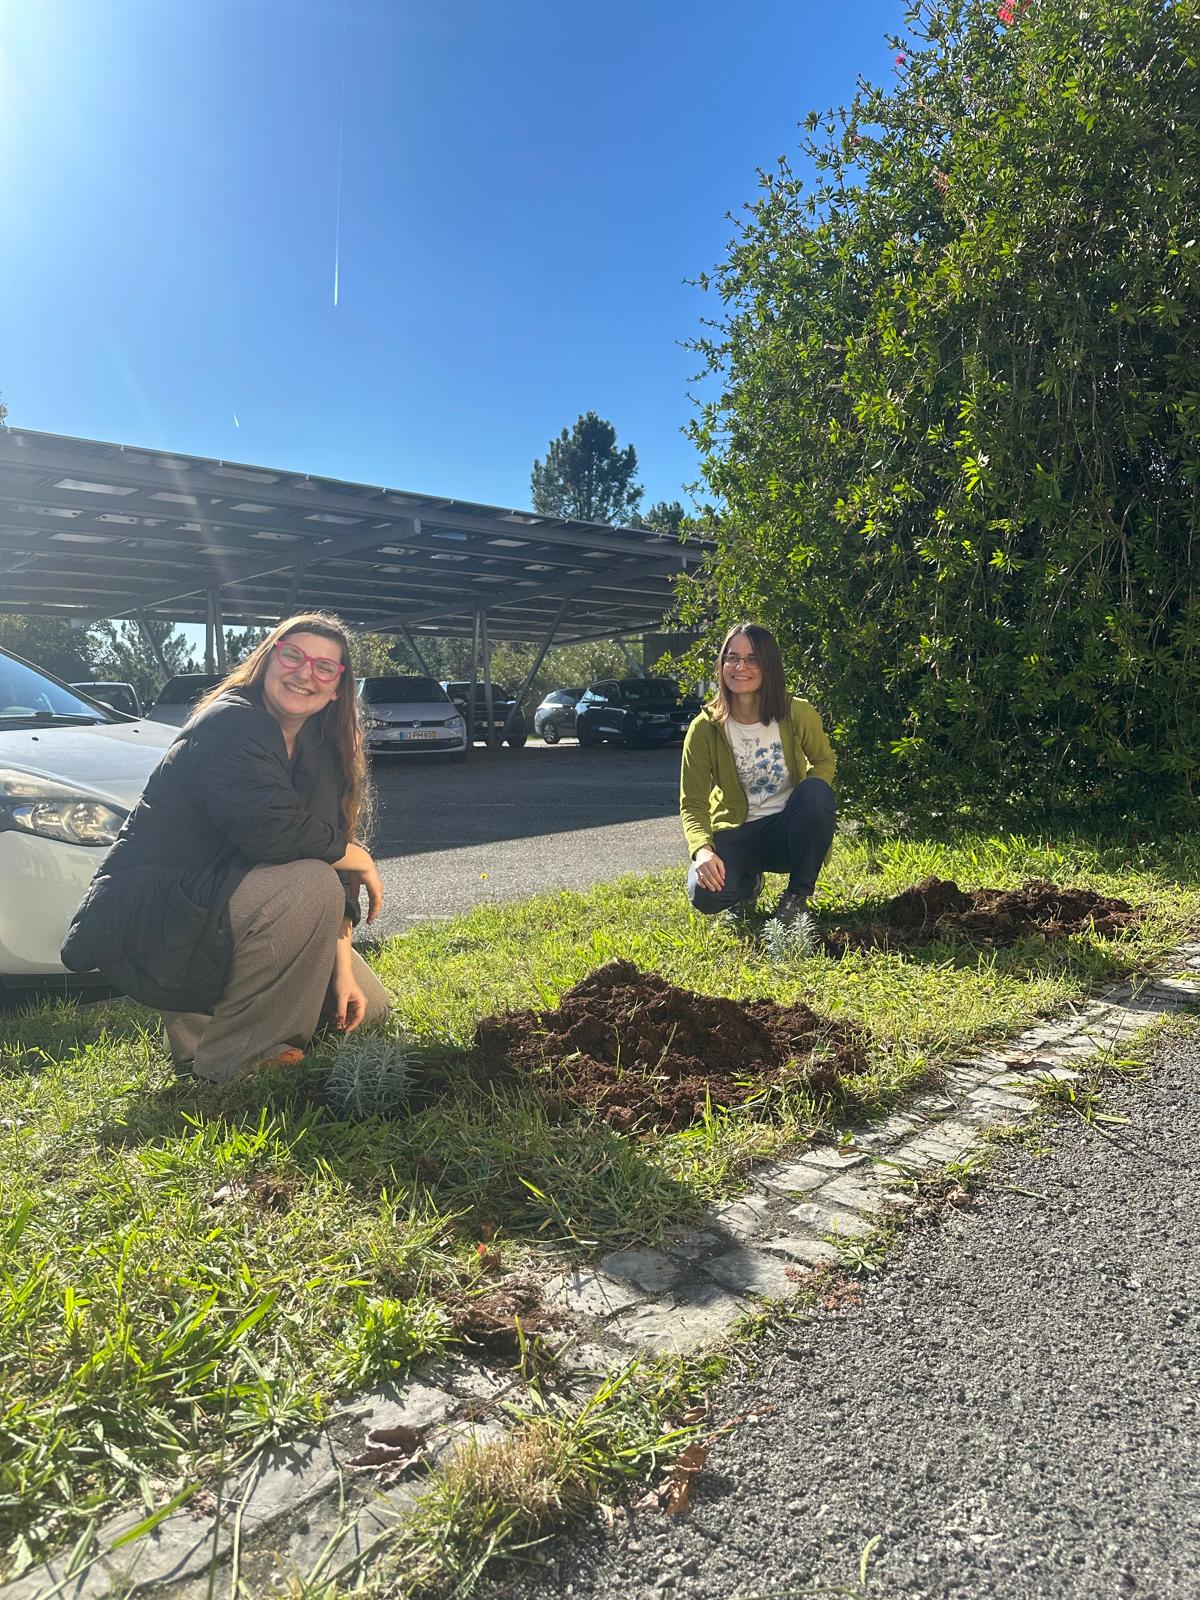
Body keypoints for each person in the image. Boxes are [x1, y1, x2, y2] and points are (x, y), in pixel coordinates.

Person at [62, 612, 390, 1082]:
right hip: (160, 916)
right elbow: (274, 834)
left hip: (218, 908)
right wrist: (357, 854)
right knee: (307, 882)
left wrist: (338, 965)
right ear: (266, 661)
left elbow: (328, 862)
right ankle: (235, 1062)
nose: (305, 673)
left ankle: (214, 1030)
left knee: (367, 1006)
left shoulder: (319, 748)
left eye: (324, 667)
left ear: (338, 688)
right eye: (293, 655)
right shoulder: (230, 722)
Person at [680, 622, 837, 925]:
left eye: (752, 659)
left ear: (769, 666)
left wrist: (809, 811)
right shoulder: (704, 728)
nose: (740, 667)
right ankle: (746, 885)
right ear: (722, 663)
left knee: (816, 792)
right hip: (736, 832)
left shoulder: (796, 712)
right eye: (732, 657)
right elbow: (693, 803)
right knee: (705, 895)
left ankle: (796, 899)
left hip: (786, 830)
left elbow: (824, 761)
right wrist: (701, 850)